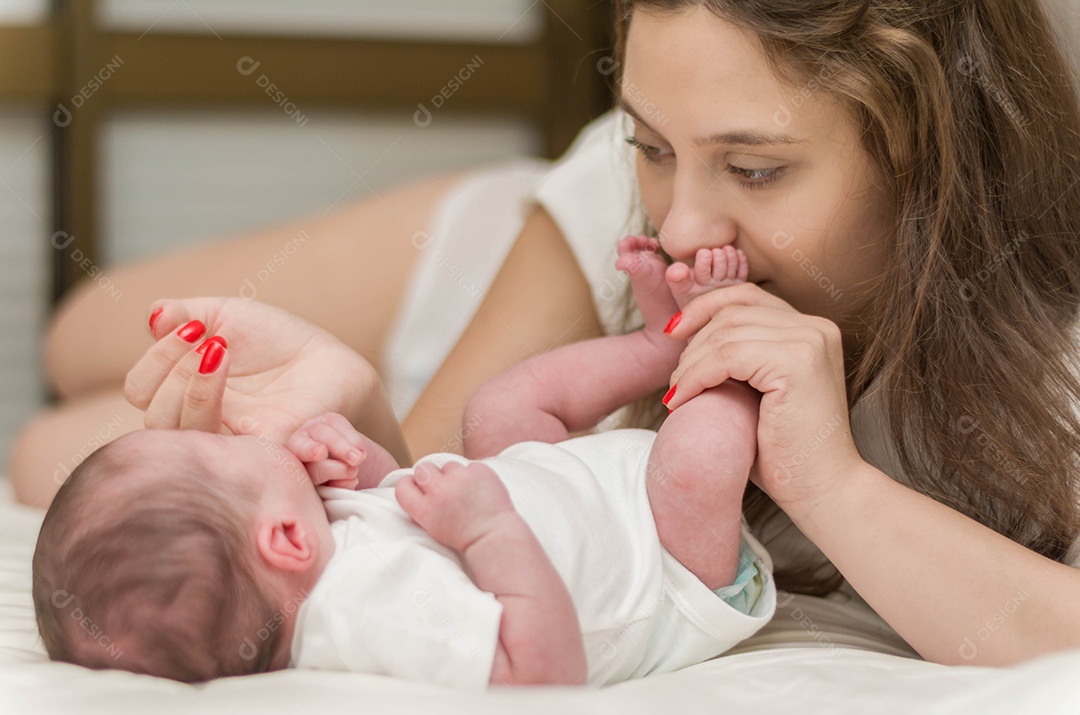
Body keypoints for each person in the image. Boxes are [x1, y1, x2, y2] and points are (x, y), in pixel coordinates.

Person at [16, 0, 1080, 668]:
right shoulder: (619, 214)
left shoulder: (1051, 353)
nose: (678, 226)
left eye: (756, 169)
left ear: (934, 162)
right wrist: (356, 400)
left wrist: (833, 484)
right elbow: (447, 480)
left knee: (38, 452)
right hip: (503, 249)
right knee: (77, 339)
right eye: (651, 145)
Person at [32, 240, 774, 688]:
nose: (242, 436)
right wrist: (487, 531)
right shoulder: (367, 622)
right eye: (228, 450)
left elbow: (401, 499)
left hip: (573, 494)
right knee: (694, 461)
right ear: (283, 540)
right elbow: (545, 673)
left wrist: (361, 465)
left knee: (494, 410)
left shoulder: (321, 553)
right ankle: (734, 342)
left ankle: (662, 347)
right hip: (665, 566)